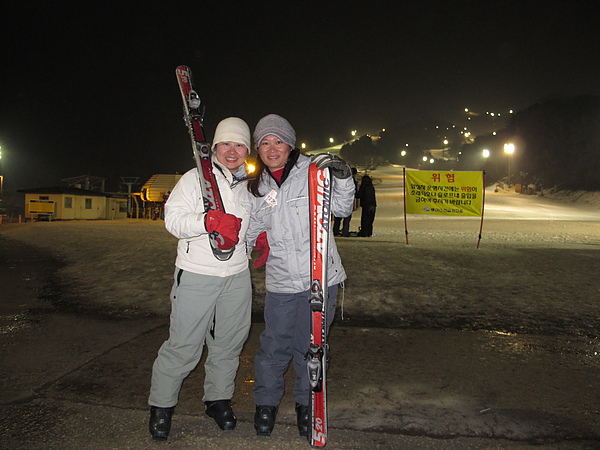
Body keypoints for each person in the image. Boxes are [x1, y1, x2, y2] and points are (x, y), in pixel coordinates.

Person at [246, 114, 355, 437]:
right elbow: (250, 230)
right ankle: (265, 405)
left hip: (320, 278)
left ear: (290, 143)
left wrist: (344, 177)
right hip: (281, 282)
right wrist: (256, 233)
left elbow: (342, 209)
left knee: (311, 347)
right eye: (264, 142)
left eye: (277, 140)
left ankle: (307, 405)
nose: (271, 148)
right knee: (273, 346)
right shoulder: (257, 185)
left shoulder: (313, 171)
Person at [148, 117, 253, 440]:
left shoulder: (248, 187)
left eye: (239, 145)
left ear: (247, 150)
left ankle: (217, 400)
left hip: (236, 276)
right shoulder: (196, 179)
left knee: (228, 344)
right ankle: (161, 407)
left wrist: (255, 243)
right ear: (214, 148)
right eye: (226, 144)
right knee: (183, 344)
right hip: (197, 274)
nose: (232, 151)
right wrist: (207, 220)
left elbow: (245, 228)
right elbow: (174, 220)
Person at [333, 167, 358, 236]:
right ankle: (345, 232)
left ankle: (335, 231)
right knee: (347, 219)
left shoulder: (337, 179)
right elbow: (354, 191)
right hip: (347, 202)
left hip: (338, 200)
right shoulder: (351, 181)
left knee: (337, 219)